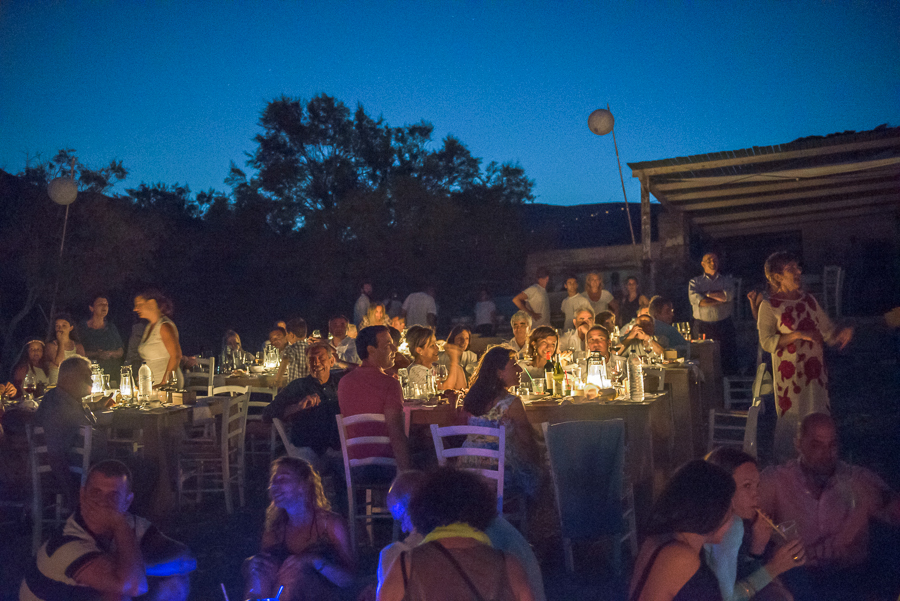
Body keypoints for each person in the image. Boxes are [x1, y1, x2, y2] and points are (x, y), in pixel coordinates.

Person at [759, 413, 900, 600]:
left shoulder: (856, 479)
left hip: (852, 578)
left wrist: (864, 511)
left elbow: (893, 507)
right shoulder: (778, 481)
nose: (827, 454)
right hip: (800, 579)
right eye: (816, 445)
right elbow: (744, 511)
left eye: (832, 445)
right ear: (798, 444)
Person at [20, 459, 195, 601]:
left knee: (175, 581)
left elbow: (187, 559)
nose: (103, 502)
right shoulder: (65, 544)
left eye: (113, 496)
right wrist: (119, 524)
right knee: (118, 596)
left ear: (127, 502)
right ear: (82, 495)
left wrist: (142, 567)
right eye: (96, 493)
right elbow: (135, 586)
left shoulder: (132, 524)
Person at [377, 470, 546, 601]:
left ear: (419, 509)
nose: (405, 529)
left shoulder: (405, 567)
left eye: (403, 518)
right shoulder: (509, 564)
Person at [757, 252, 853, 462]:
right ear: (777, 276)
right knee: (794, 419)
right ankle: (790, 467)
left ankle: (821, 460)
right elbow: (767, 342)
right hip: (791, 377)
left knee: (818, 414)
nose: (798, 271)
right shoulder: (770, 306)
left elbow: (828, 332)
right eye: (791, 269)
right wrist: (798, 334)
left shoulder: (808, 300)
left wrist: (840, 334)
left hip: (815, 373)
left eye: (797, 267)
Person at [243, 457, 355, 601]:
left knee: (295, 575)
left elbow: (350, 580)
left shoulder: (331, 525)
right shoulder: (275, 531)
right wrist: (251, 563)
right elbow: (254, 571)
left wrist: (313, 560)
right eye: (273, 481)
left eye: (283, 479)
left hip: (324, 594)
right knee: (260, 572)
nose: (274, 486)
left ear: (303, 486)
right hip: (281, 591)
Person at [704, 447, 805, 601]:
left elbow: (738, 580)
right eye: (747, 486)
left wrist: (757, 548)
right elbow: (727, 598)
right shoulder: (727, 527)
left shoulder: (732, 522)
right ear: (723, 488)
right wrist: (775, 567)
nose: (756, 494)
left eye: (757, 485)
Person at [629, 460, 736, 601]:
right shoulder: (680, 557)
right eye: (729, 508)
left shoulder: (663, 538)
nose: (732, 519)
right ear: (711, 508)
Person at [461, 347, 542, 501]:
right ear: (499, 373)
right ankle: (529, 523)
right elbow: (527, 445)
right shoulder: (511, 404)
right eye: (514, 365)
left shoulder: (473, 400)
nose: (520, 369)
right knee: (543, 475)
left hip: (469, 474)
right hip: (498, 477)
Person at [337, 326, 411, 473]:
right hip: (385, 466)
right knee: (432, 456)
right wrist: (407, 475)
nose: (395, 349)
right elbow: (396, 434)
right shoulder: (390, 384)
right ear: (371, 350)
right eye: (388, 345)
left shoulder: (344, 382)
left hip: (355, 466)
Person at [264, 342, 345, 464]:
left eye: (321, 358)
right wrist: (298, 407)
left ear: (331, 361)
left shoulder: (341, 383)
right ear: (307, 364)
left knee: (355, 470)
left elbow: (361, 370)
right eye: (311, 359)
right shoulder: (298, 386)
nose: (316, 363)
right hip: (307, 447)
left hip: (337, 447)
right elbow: (267, 413)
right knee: (304, 472)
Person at [689, 253, 738, 374]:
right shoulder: (695, 282)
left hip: (724, 325)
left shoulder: (727, 281)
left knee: (728, 359)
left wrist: (708, 294)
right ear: (703, 264)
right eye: (709, 260)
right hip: (703, 327)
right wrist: (720, 299)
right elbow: (699, 301)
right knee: (704, 359)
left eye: (715, 260)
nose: (712, 262)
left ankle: (729, 389)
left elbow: (729, 296)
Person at [134, 290, 183, 388]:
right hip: (152, 385)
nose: (135, 309)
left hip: (165, 386)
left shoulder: (164, 326)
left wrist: (164, 383)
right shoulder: (150, 326)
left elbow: (176, 355)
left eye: (139, 304)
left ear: (152, 302)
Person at [405, 325, 466, 391]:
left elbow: (461, 387)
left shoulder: (433, 368)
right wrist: (453, 361)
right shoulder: (415, 371)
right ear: (419, 350)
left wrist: (456, 365)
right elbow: (445, 389)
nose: (437, 348)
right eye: (432, 346)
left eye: (436, 344)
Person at [79, 294, 125, 380]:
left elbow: (120, 351)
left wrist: (110, 353)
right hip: (90, 374)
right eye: (100, 304)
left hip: (113, 373)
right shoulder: (83, 328)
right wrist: (97, 354)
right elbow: (78, 352)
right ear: (91, 308)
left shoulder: (111, 327)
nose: (104, 307)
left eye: (106, 304)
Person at [44, 313, 86, 387]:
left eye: (64, 325)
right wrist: (61, 342)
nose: (60, 328)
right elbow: (59, 363)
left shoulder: (78, 347)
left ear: (71, 328)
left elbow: (82, 367)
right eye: (57, 326)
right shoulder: (50, 346)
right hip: (56, 385)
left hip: (74, 384)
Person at [276, 317, 310, 388]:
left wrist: (277, 381)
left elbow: (283, 365)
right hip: (308, 389)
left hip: (294, 390)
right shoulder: (311, 349)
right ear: (305, 334)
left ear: (291, 335)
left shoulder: (290, 349)